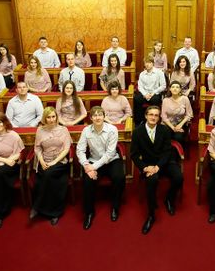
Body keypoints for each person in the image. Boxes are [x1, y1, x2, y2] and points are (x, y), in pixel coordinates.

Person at [131, 106, 183, 235]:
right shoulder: (137, 132)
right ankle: (151, 214)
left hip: (165, 162)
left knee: (179, 178)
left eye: (156, 115)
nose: (153, 117)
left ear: (159, 118)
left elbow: (167, 151)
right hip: (148, 164)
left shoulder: (164, 130)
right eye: (151, 114)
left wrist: (158, 167)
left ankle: (169, 199)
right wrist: (144, 167)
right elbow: (134, 154)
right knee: (152, 181)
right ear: (146, 116)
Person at [76, 106, 125, 230]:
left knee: (119, 177)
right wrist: (87, 166)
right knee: (87, 181)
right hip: (93, 160)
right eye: (95, 115)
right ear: (91, 118)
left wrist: (93, 167)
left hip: (111, 160)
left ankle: (115, 207)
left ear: (104, 116)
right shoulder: (86, 130)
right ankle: (89, 212)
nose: (98, 117)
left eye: (100, 115)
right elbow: (80, 150)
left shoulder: (112, 129)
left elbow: (109, 154)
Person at [29, 107, 72, 226]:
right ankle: (51, 212)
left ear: (56, 117)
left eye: (53, 116)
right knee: (45, 180)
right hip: (45, 160)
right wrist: (41, 160)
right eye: (49, 117)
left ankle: (37, 207)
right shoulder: (40, 130)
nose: (51, 119)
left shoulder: (63, 130)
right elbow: (37, 148)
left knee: (48, 175)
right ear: (45, 118)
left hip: (60, 161)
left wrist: (54, 162)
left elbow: (66, 149)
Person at [133, 56, 167, 121]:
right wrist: (145, 94)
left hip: (155, 93)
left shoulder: (159, 72)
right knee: (136, 99)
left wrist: (153, 93)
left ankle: (154, 119)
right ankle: (139, 121)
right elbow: (140, 86)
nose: (147, 64)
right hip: (145, 94)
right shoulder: (142, 74)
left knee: (155, 100)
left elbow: (163, 86)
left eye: (149, 62)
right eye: (146, 63)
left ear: (152, 63)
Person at [161, 80, 194, 145]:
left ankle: (179, 153)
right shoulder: (165, 100)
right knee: (166, 135)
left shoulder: (185, 99)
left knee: (178, 137)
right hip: (168, 124)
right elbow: (164, 117)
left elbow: (189, 114)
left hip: (180, 123)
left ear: (180, 90)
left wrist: (180, 125)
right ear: (170, 89)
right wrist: (173, 128)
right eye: (173, 87)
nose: (175, 89)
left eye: (177, 87)